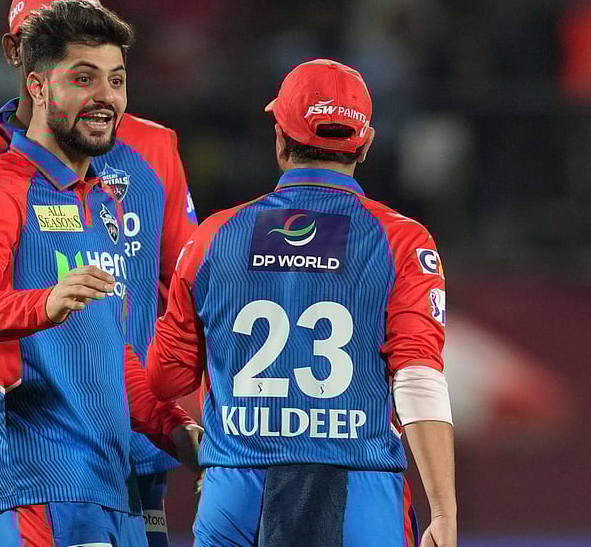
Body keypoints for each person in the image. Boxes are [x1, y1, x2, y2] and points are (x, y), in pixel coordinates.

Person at [0, 0, 199, 547]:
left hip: (131, 456)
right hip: (37, 465)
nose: (102, 93)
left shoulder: (135, 162)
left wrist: (188, 427)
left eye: (113, 76)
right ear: (22, 59)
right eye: (79, 72)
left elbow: (176, 308)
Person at [147, 59, 457, 547]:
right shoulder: (401, 242)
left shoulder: (211, 239)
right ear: (366, 143)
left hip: (236, 490)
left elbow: (168, 379)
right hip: (359, 489)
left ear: (279, 138)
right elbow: (418, 379)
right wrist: (443, 509)